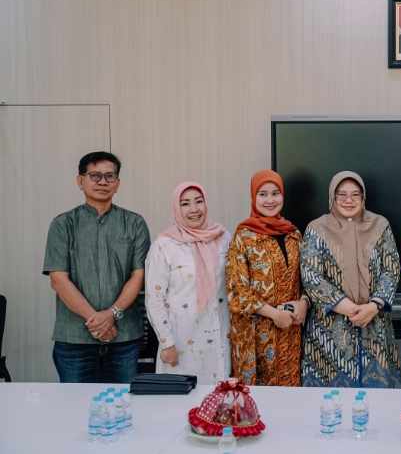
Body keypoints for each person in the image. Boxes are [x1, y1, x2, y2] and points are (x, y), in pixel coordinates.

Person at [42, 151, 150, 383]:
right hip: (74, 339)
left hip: (124, 338)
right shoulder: (63, 224)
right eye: (95, 176)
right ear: (80, 181)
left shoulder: (135, 223)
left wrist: (112, 314)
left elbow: (138, 275)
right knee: (75, 404)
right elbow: (58, 279)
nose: (103, 182)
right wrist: (98, 320)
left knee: (126, 402)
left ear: (117, 183)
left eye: (109, 176)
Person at [300, 171, 401, 387]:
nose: (349, 200)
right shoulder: (317, 228)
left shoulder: (380, 225)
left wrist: (373, 306)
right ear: (332, 197)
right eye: (342, 194)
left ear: (363, 197)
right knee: (331, 399)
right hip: (329, 328)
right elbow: (311, 275)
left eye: (355, 194)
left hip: (374, 323)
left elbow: (391, 269)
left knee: (376, 397)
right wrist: (348, 308)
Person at [144, 182, 231, 384]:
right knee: (181, 395)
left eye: (199, 201)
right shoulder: (164, 245)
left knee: (217, 395)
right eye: (185, 204)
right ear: (176, 207)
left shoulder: (223, 238)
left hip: (218, 337)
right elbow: (154, 299)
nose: (194, 209)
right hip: (180, 341)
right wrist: (167, 343)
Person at [226, 170, 307, 386]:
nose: (270, 200)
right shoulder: (243, 236)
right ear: (253, 197)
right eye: (262, 194)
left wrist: (303, 303)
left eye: (275, 193)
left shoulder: (294, 235)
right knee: (259, 399)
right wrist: (274, 314)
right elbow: (237, 291)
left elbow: (306, 280)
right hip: (256, 337)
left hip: (290, 331)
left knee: (290, 397)